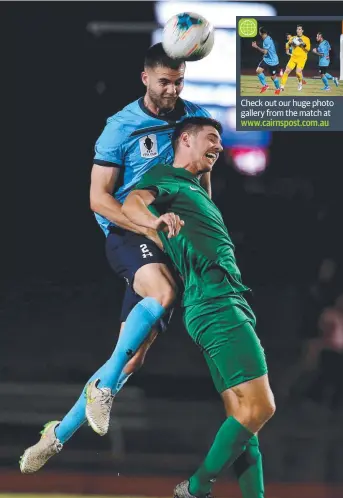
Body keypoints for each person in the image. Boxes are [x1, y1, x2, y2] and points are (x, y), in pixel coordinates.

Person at [19, 43, 210, 473]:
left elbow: (201, 180)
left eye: (179, 81)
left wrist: (201, 232)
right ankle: (102, 391)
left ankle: (55, 435)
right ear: (145, 78)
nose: (172, 90)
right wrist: (147, 227)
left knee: (132, 357)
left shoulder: (193, 118)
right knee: (160, 294)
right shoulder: (120, 128)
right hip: (129, 232)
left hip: (171, 243)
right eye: (164, 81)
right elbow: (96, 198)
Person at [122, 116, 303, 498]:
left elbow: (200, 170)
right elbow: (130, 203)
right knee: (262, 406)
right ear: (185, 139)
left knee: (242, 415)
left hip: (221, 303)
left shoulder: (197, 190)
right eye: (212, 138)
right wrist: (153, 220)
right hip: (216, 304)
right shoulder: (165, 178)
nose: (219, 146)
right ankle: (196, 487)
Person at [251, 27, 281, 95]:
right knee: (258, 71)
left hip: (273, 61)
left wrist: (256, 47)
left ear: (261, 33)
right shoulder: (267, 38)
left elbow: (265, 52)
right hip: (266, 59)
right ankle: (265, 86)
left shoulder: (266, 40)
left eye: (259, 31)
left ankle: (278, 88)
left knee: (273, 77)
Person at [280, 25, 310, 92]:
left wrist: (303, 44)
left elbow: (308, 49)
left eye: (299, 29)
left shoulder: (306, 39)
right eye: (297, 29)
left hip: (302, 58)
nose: (298, 30)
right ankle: (282, 86)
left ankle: (300, 82)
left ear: (302, 31)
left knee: (297, 73)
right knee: (286, 71)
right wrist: (290, 43)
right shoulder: (293, 38)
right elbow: (287, 46)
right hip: (293, 57)